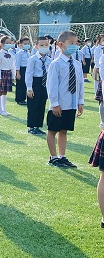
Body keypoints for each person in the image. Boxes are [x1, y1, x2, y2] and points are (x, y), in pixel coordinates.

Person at [46, 31, 84, 169]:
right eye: (71, 43)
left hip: (71, 104)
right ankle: (53, 157)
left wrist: (80, 101)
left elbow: (80, 84)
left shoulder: (77, 64)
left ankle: (62, 156)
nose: (74, 46)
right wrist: (54, 103)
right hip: (59, 104)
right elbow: (51, 85)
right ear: (61, 45)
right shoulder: (55, 64)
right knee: (53, 130)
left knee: (64, 130)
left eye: (76, 43)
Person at [25, 36, 52, 135]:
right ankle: (31, 126)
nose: (44, 47)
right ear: (36, 46)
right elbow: (29, 74)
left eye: (46, 45)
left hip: (44, 83)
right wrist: (29, 88)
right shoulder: (33, 59)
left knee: (41, 105)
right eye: (41, 45)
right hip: (35, 83)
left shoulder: (49, 59)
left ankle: (38, 126)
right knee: (33, 106)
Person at [0, 35, 16, 116]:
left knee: (5, 92)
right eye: (7, 43)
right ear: (1, 44)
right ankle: (0, 110)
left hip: (8, 73)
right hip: (2, 73)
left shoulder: (11, 54)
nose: (9, 44)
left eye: (10, 43)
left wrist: (13, 76)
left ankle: (4, 110)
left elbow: (13, 66)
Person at [14, 37, 31, 105]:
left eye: (28, 43)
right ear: (21, 44)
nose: (27, 45)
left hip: (27, 69)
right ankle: (19, 99)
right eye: (25, 44)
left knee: (25, 85)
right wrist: (18, 73)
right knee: (20, 85)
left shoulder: (28, 53)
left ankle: (23, 99)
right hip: (21, 69)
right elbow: (17, 64)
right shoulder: (19, 53)